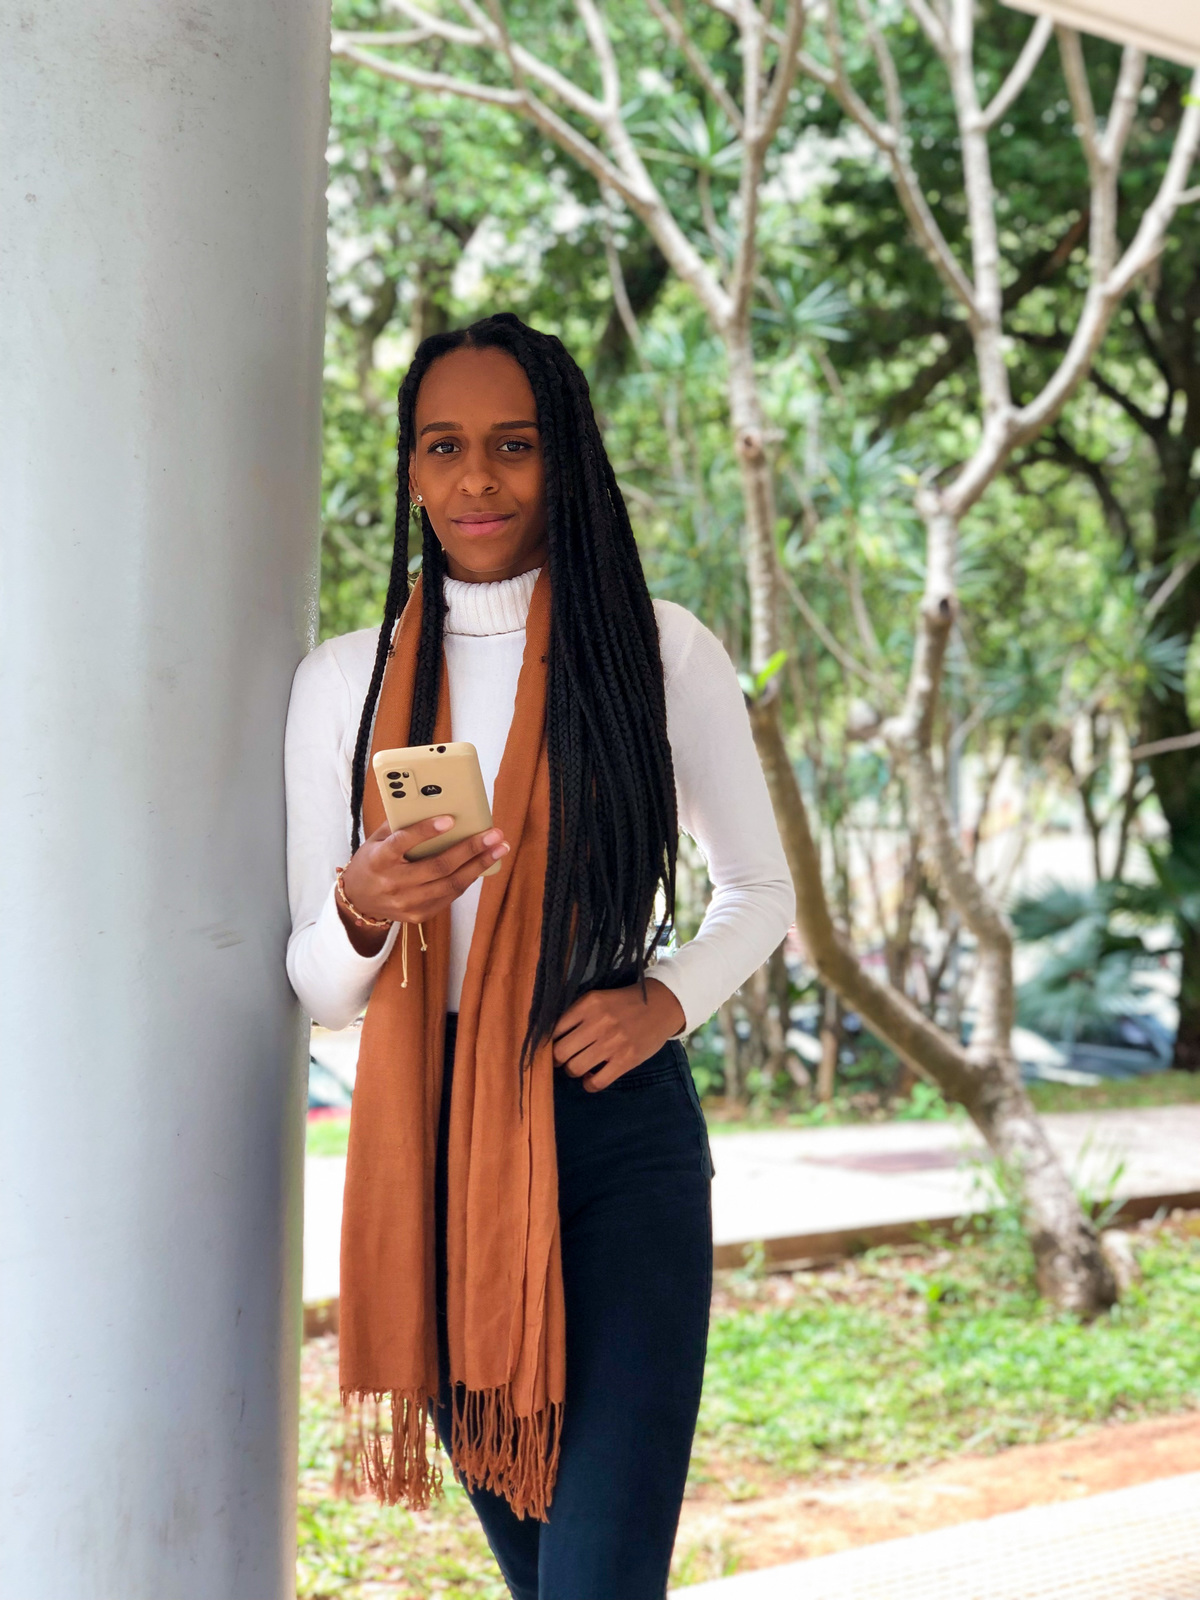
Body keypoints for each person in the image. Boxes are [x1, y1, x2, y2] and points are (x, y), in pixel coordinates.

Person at [284, 312, 794, 1600]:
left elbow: (762, 889)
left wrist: (664, 1001)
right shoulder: (345, 682)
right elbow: (318, 984)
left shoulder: (657, 650)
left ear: (562, 458)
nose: (476, 480)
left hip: (617, 1141)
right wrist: (361, 901)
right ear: (407, 468)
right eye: (443, 446)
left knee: (598, 1580)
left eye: (513, 445)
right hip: (435, 1146)